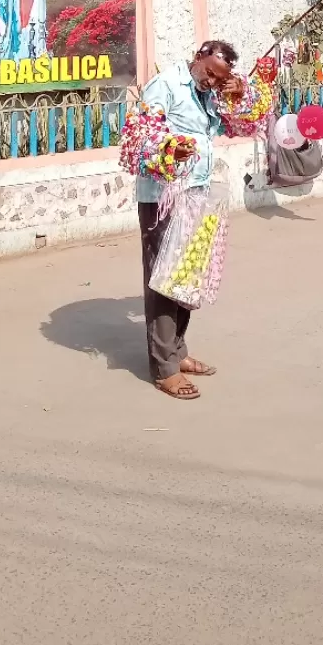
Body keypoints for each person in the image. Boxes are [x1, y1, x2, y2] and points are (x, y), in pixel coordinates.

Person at [136, 40, 246, 400]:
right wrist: (169, 148)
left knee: (185, 276)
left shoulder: (209, 93)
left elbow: (237, 123)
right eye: (210, 72)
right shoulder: (166, 84)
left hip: (196, 194)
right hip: (162, 196)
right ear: (198, 56)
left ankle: (176, 351)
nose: (212, 81)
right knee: (163, 278)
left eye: (220, 78)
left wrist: (238, 92)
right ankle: (163, 368)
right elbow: (143, 133)